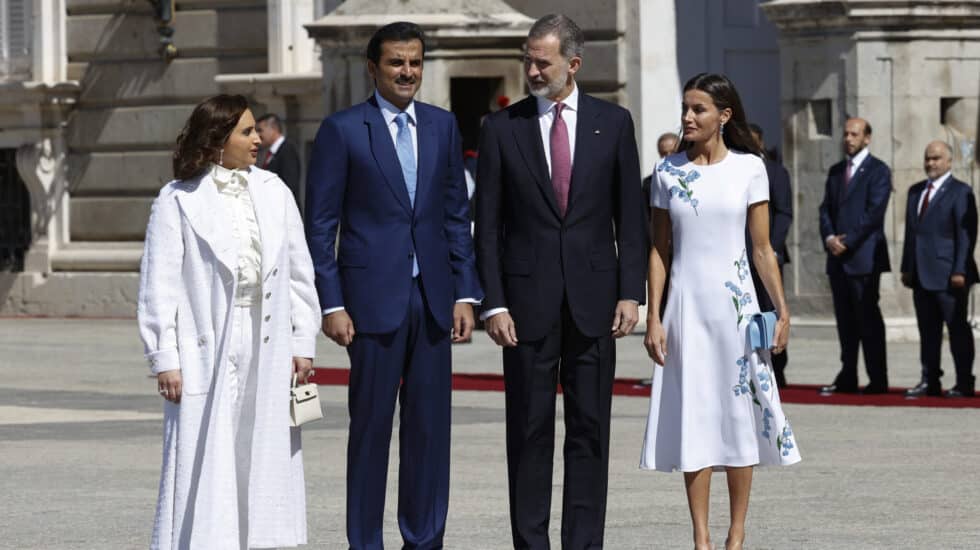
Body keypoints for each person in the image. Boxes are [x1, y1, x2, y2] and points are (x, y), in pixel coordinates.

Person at [304, 22, 482, 549]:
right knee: (371, 431)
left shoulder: (442, 126)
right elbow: (321, 225)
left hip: (432, 300)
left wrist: (465, 293)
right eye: (396, 63)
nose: (407, 72)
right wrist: (331, 302)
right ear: (373, 68)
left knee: (430, 433)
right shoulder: (342, 130)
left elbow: (455, 214)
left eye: (415, 62)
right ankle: (366, 542)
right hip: (369, 304)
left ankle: (424, 539)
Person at [475, 14, 648, 549]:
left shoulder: (613, 123)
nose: (530, 69)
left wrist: (630, 291)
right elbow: (487, 225)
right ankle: (531, 543)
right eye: (526, 58)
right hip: (525, 305)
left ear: (572, 63)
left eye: (541, 60)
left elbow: (631, 218)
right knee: (528, 433)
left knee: (590, 430)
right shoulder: (501, 128)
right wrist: (493, 303)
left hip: (595, 301)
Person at [138, 94, 320, 549]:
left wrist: (303, 342)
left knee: (262, 449)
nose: (258, 139)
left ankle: (262, 541)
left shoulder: (274, 191)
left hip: (268, 334)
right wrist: (165, 357)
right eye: (246, 131)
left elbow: (299, 272)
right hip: (208, 340)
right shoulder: (176, 200)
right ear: (218, 139)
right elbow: (158, 283)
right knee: (206, 448)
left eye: (257, 130)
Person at [641, 73, 800, 550]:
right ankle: (701, 538)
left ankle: (736, 534)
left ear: (723, 116)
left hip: (737, 309)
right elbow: (659, 252)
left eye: (698, 110)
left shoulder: (752, 169)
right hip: (686, 310)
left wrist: (783, 310)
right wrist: (654, 317)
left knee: (737, 416)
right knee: (694, 417)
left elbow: (762, 248)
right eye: (685, 108)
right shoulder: (668, 171)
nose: (688, 117)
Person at [818, 117, 892, 394]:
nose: (848, 138)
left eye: (854, 134)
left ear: (867, 138)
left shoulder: (879, 171)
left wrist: (848, 241)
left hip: (864, 257)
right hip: (838, 260)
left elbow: (874, 214)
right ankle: (847, 374)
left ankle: (877, 378)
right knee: (845, 321)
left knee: (868, 320)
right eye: (846, 133)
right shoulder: (837, 171)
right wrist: (829, 238)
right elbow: (825, 209)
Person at [901, 141, 978, 398]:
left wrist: (960, 271)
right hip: (921, 275)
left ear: (949, 161)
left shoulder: (960, 191)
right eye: (927, 158)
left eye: (936, 158)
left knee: (957, 330)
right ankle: (930, 379)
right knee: (928, 331)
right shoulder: (915, 192)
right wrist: (907, 267)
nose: (930, 163)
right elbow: (912, 234)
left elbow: (965, 236)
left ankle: (965, 381)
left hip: (949, 275)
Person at [747, 123, 793, 388]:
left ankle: (777, 366)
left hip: (768, 256)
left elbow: (784, 212)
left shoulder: (775, 172)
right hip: (742, 256)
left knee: (771, 311)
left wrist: (771, 248)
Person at [256, 113, 303, 209]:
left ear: (273, 129)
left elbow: (290, 185)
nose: (258, 135)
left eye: (260, 130)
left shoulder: (287, 150)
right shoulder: (272, 152)